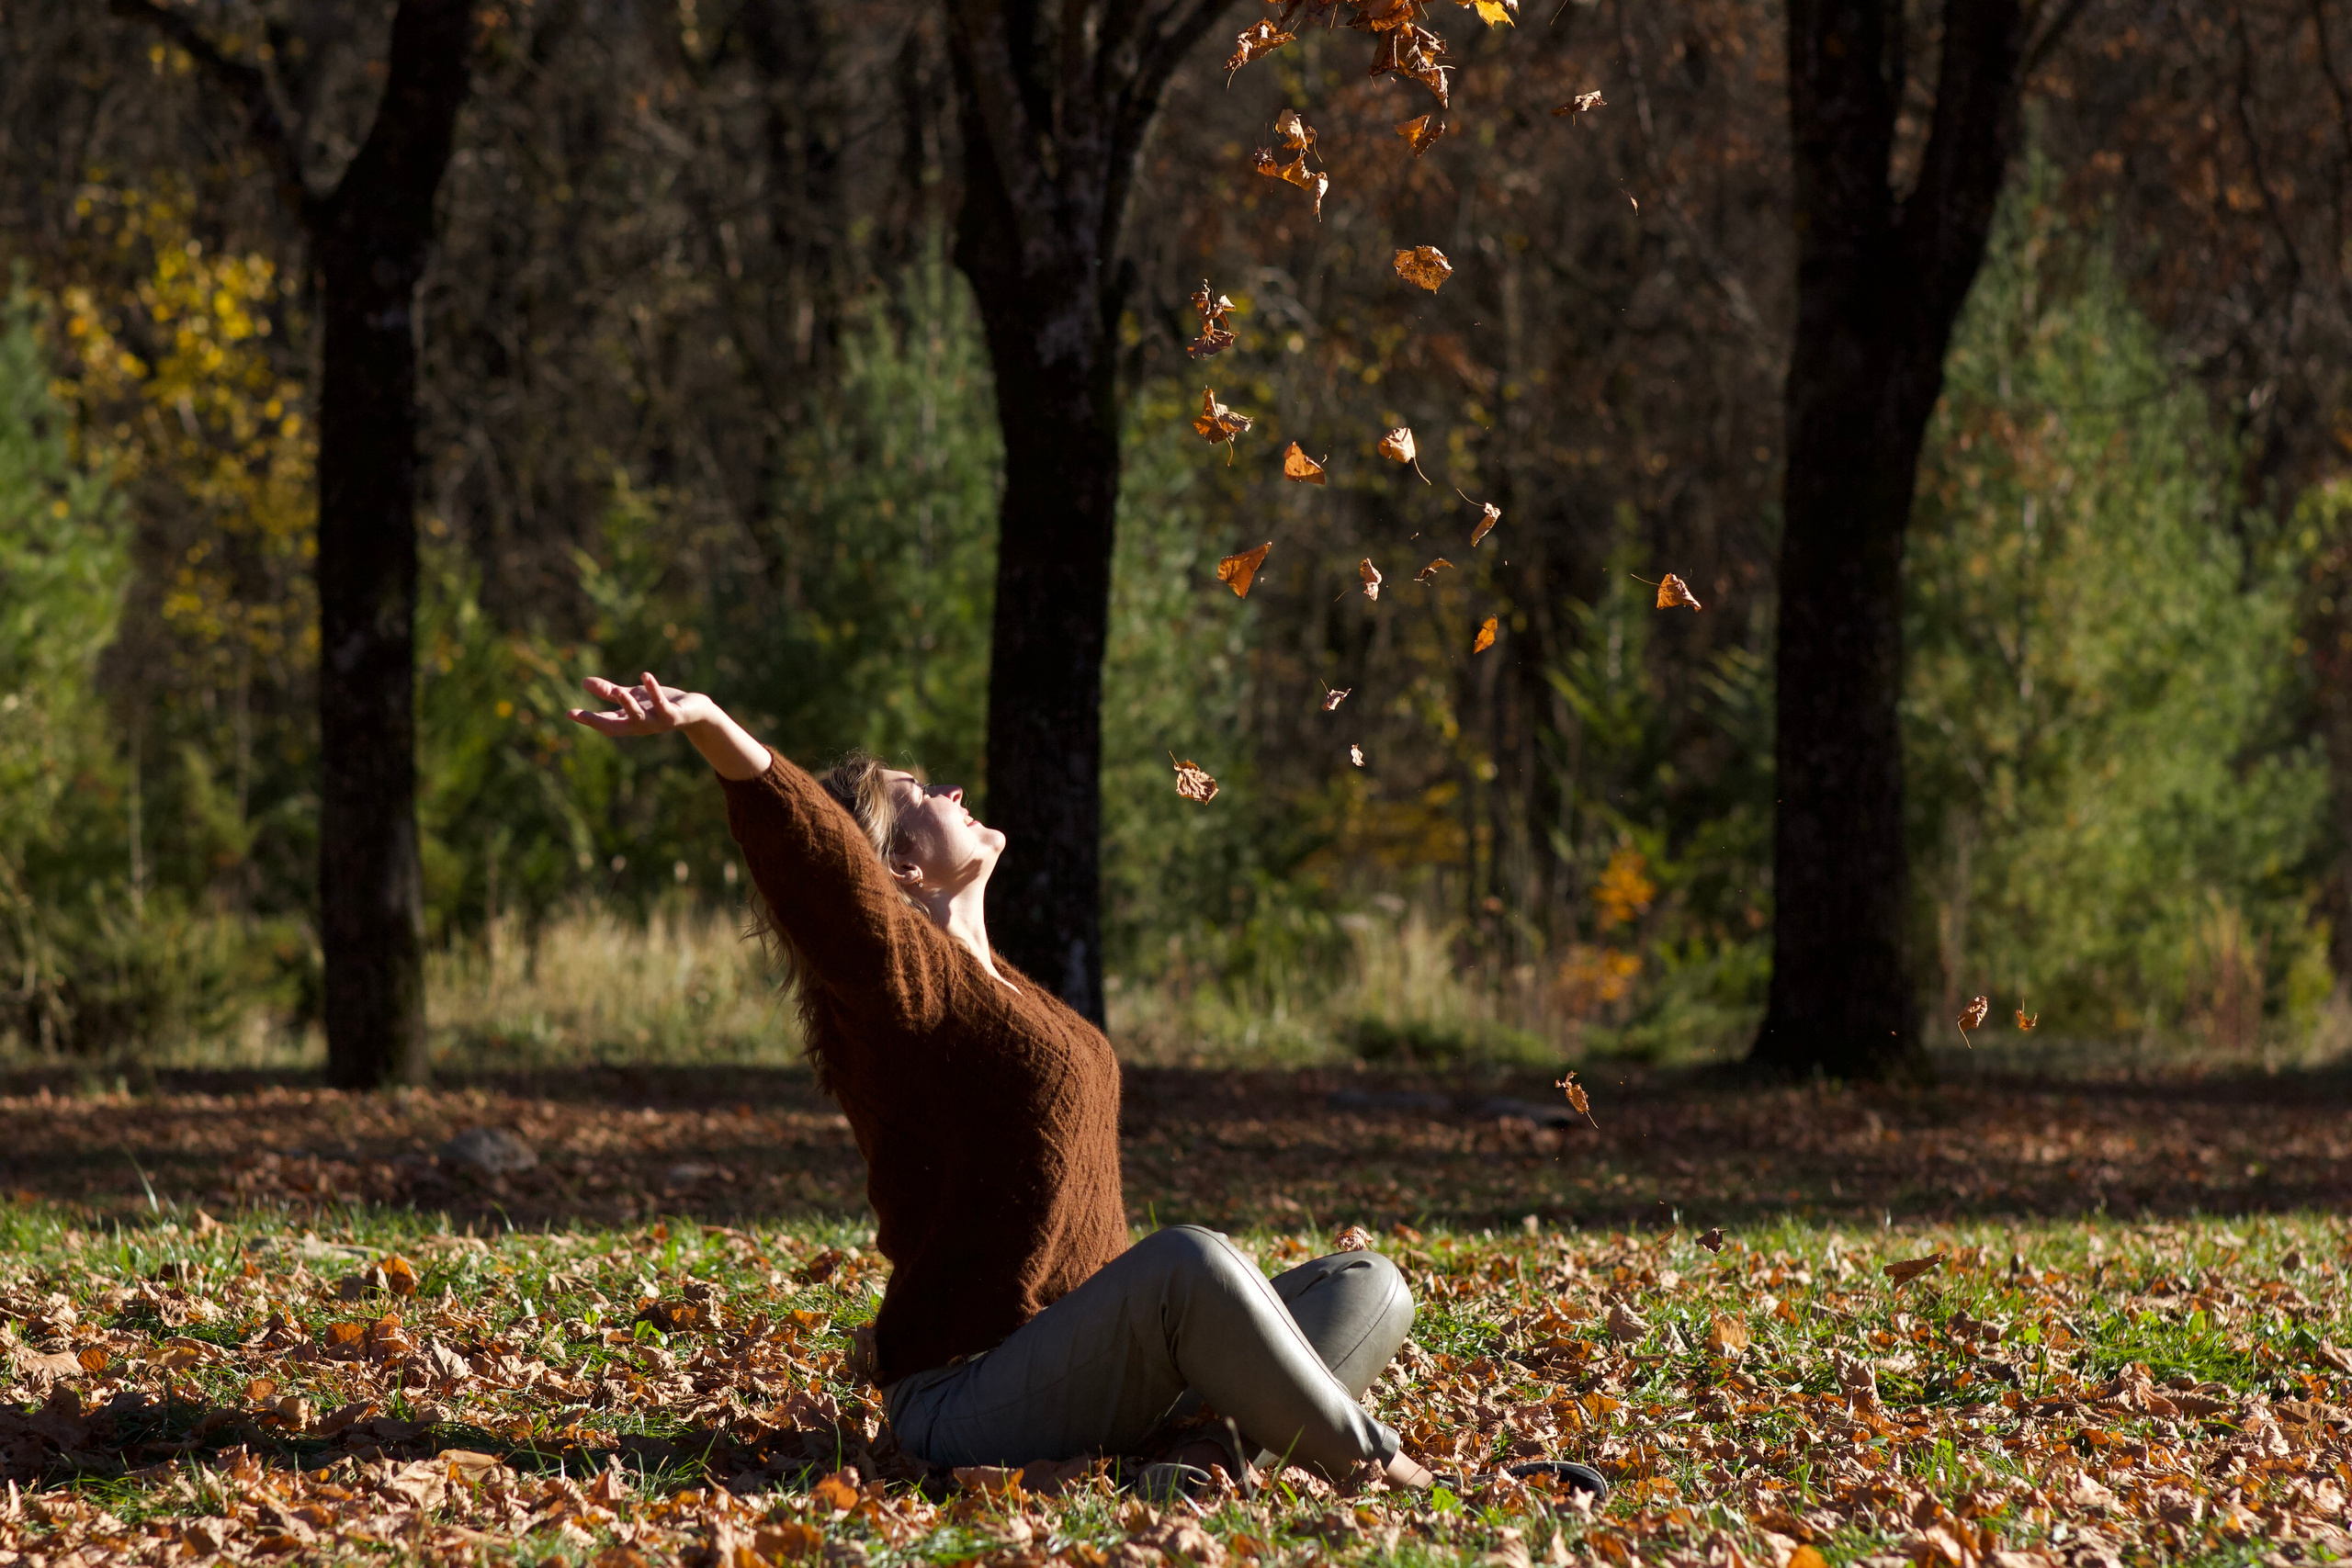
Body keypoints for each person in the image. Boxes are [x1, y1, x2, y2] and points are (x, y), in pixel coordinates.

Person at [569, 673, 1600, 1498]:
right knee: (1190, 1260)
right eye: (920, 796)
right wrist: (711, 727)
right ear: (897, 869)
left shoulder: (1005, 987)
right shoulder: (900, 991)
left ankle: (1191, 1466)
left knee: (1365, 1285)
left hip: (1091, 1372)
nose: (952, 792)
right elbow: (819, 862)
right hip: (968, 1396)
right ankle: (1395, 1476)